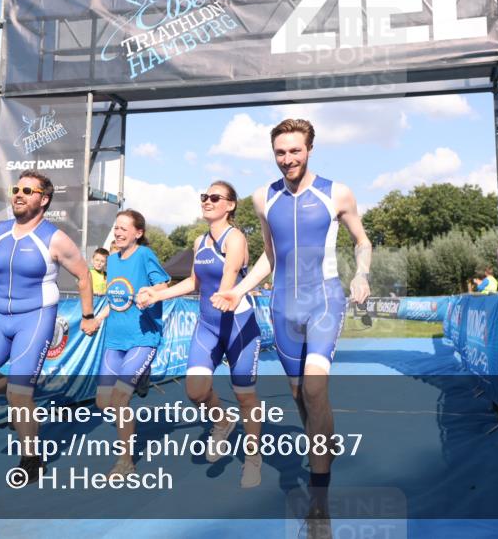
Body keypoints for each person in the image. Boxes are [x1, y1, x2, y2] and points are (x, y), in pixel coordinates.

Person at [212, 118, 372, 525]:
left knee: (316, 391)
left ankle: (319, 501)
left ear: (310, 149)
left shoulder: (337, 193)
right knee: (301, 398)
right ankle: (322, 441)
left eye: (295, 151)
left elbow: (362, 241)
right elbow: (269, 256)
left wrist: (361, 273)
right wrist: (240, 289)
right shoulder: (263, 198)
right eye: (280, 152)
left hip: (324, 301)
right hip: (283, 309)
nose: (288, 159)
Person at [0, 170, 93, 483]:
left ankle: (31, 458)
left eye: (28, 190)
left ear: (44, 199)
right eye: (16, 188)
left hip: (35, 318)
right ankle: (17, 386)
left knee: (19, 396)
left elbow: (83, 275)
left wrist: (88, 314)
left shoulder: (54, 238)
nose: (19, 194)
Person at [140, 181, 264, 488]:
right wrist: (159, 295)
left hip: (238, 325)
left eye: (214, 197)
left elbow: (228, 279)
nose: (207, 201)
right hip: (208, 324)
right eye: (204, 197)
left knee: (245, 396)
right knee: (195, 391)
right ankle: (222, 421)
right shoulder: (199, 242)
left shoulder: (235, 239)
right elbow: (195, 283)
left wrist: (225, 294)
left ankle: (252, 458)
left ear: (230, 205)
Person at [82, 209, 170, 478]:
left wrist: (150, 294)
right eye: (116, 228)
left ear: (138, 233)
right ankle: (140, 377)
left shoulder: (144, 255)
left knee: (120, 400)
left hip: (142, 336)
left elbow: (165, 285)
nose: (118, 232)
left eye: (124, 228)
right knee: (102, 402)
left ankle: (125, 461)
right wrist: (97, 318)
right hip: (114, 338)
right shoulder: (113, 261)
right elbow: (115, 297)